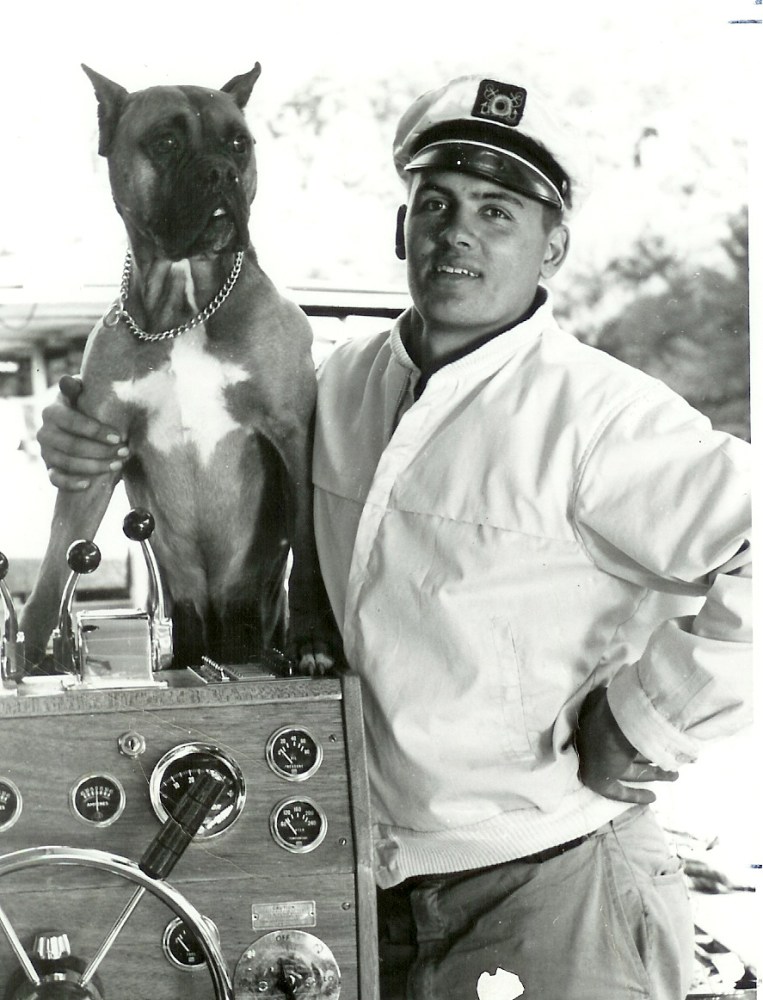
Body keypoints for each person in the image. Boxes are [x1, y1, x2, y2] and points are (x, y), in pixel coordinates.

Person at [36, 74, 752, 1000]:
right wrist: (78, 433)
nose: (458, 231)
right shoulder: (343, 382)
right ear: (400, 226)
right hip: (366, 875)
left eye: (499, 212)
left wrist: (655, 713)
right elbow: (190, 437)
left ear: (554, 247)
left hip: (549, 884)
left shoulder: (599, 415)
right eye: (436, 203)